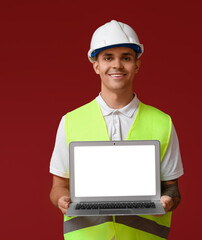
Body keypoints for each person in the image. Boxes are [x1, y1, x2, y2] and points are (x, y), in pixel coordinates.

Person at [49, 20, 184, 240]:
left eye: (126, 58)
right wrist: (62, 199)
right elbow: (58, 186)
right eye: (108, 57)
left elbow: (173, 189)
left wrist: (168, 200)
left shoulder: (163, 123)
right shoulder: (70, 121)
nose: (117, 65)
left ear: (137, 65)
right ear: (96, 65)